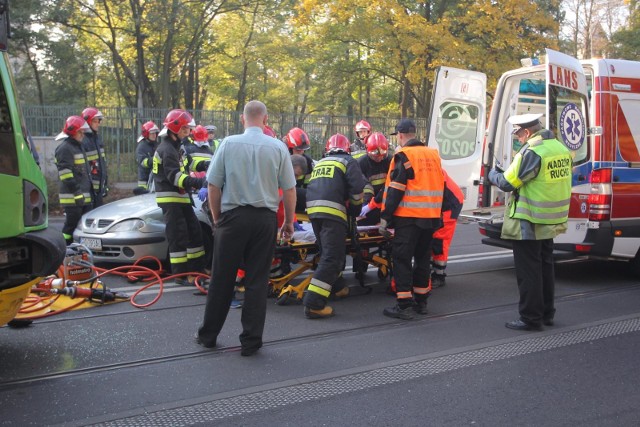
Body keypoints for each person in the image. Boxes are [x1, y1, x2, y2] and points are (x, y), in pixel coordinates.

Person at [197, 100, 296, 356]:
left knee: (222, 279)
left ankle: (208, 336)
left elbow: (213, 186)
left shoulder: (228, 144)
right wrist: (288, 222)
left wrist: (218, 219)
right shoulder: (278, 147)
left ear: (243, 119)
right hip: (265, 220)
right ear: (266, 121)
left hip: (233, 218)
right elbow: (289, 188)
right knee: (257, 281)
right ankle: (251, 342)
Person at [488, 113, 572, 331]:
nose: (518, 139)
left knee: (529, 272)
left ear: (526, 131)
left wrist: (492, 175)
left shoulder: (532, 151)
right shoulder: (559, 148)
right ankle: (546, 314)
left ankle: (530, 318)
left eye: (518, 135)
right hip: (551, 218)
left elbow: (507, 183)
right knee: (545, 267)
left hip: (530, 219)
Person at [381, 118, 444, 320]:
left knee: (402, 259)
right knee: (423, 259)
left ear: (400, 135)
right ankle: (421, 301)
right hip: (431, 217)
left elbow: (396, 190)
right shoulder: (433, 154)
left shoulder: (403, 156)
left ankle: (404, 305)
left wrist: (385, 218)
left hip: (408, 219)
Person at [303, 133, 366, 319]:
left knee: (327, 254)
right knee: (333, 258)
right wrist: (355, 211)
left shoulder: (321, 163)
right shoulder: (348, 161)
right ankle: (313, 303)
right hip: (333, 215)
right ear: (347, 148)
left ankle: (337, 288)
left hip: (314, 214)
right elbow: (357, 190)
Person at [153, 109, 207, 281]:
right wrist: (200, 183)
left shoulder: (178, 146)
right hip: (170, 199)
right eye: (184, 129)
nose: (188, 132)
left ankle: (196, 271)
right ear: (174, 128)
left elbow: (190, 163)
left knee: (194, 233)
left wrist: (207, 164)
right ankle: (180, 274)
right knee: (178, 237)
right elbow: (175, 177)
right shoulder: (166, 149)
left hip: (182, 198)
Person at [54, 116, 93, 245]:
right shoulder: (65, 148)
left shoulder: (78, 147)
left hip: (82, 196)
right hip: (72, 198)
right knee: (70, 227)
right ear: (72, 131)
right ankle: (64, 249)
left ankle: (78, 252)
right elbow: (65, 174)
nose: (83, 134)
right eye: (80, 132)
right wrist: (77, 193)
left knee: (81, 227)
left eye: (83, 131)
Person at [430, 170, 464, 288]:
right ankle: (430, 271)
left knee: (439, 240)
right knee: (432, 237)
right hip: (445, 203)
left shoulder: (434, 173)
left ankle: (439, 276)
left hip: (449, 206)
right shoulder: (429, 167)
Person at [357, 132, 393, 225]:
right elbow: (363, 187)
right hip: (369, 202)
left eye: (382, 156)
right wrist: (366, 205)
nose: (380, 159)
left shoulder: (390, 160)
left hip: (386, 201)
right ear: (367, 150)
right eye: (375, 157)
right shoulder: (361, 163)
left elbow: (392, 185)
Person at [81, 107, 108, 208]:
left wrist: (105, 184)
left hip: (98, 190)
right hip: (89, 190)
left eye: (98, 121)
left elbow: (102, 164)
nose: (98, 124)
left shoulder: (96, 139)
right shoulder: (84, 140)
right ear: (88, 122)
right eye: (95, 121)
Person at [285, 127, 315, 213]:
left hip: (299, 198)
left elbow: (310, 186)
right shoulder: (283, 160)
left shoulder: (308, 162)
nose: (301, 152)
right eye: (298, 150)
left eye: (303, 150)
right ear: (290, 148)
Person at [134, 120, 159, 194]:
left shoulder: (155, 145)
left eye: (155, 133)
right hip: (145, 182)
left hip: (154, 181)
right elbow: (142, 162)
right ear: (146, 134)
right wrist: (154, 160)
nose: (154, 135)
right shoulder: (141, 147)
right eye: (152, 133)